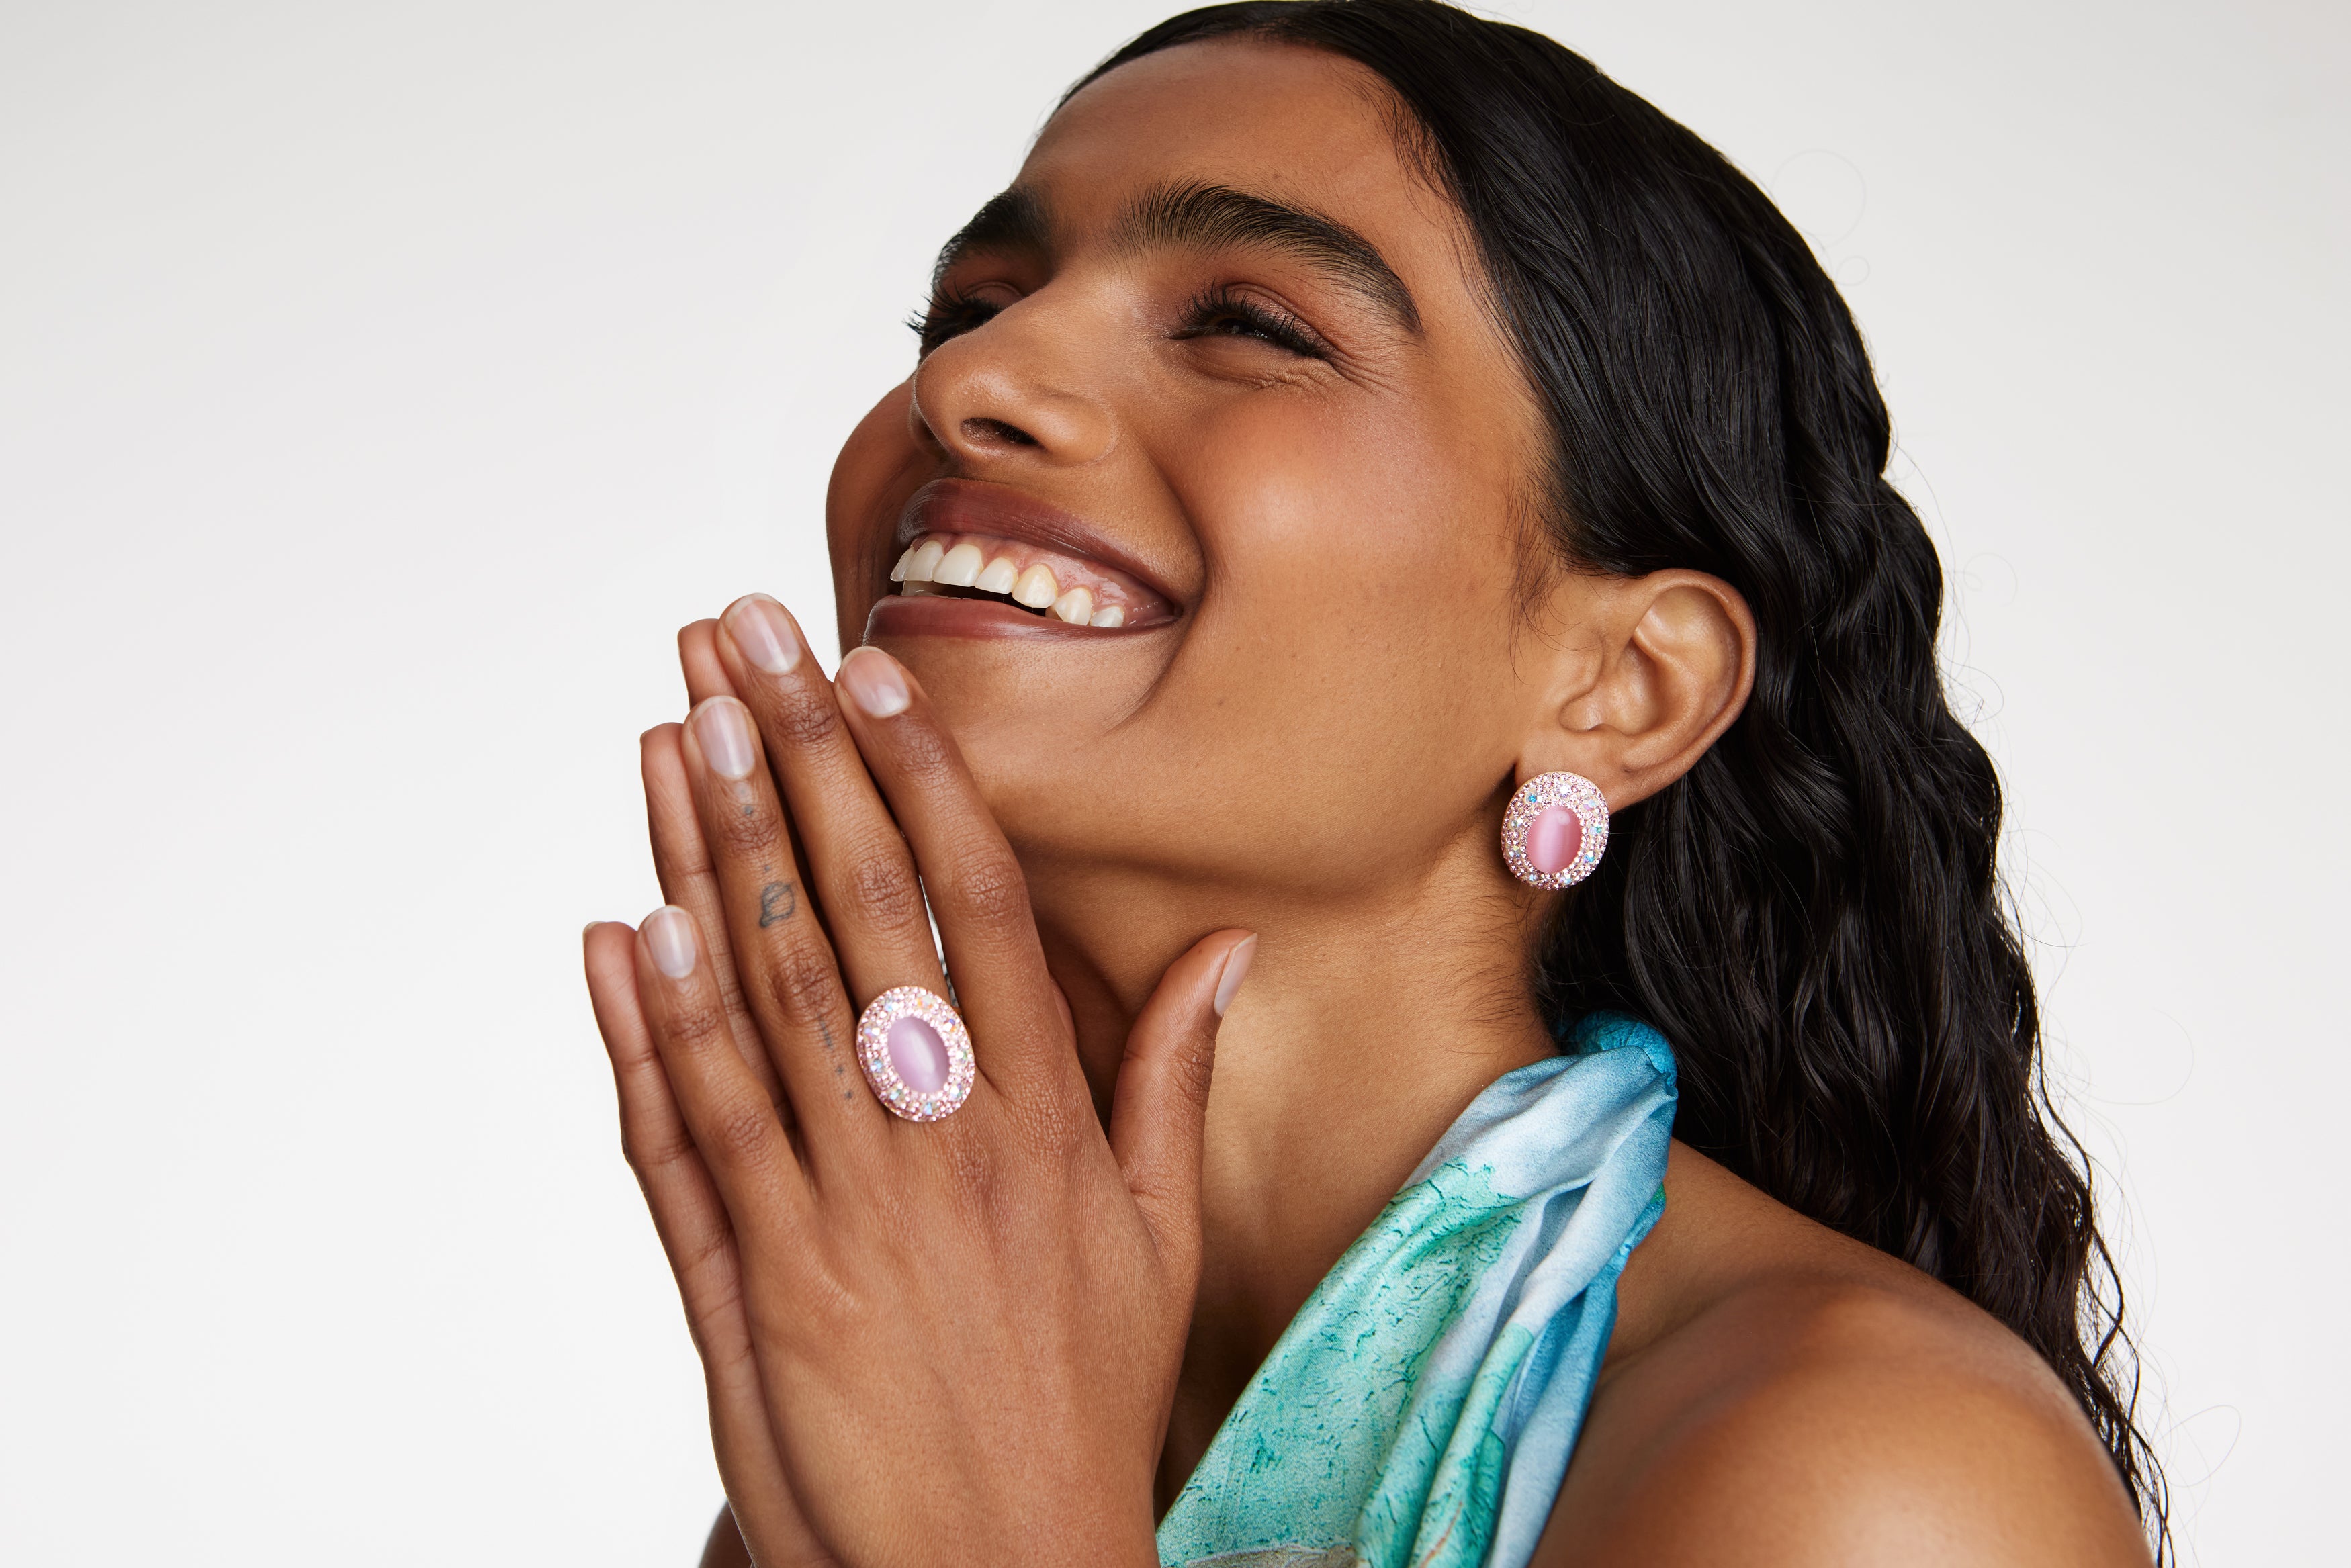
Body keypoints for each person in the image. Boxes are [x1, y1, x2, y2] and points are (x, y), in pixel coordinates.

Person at [579, 3, 2165, 1562]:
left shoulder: (1878, 1482)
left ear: (1623, 687)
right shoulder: (899, 1425)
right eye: (968, 307)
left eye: (1250, 326)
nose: (972, 379)